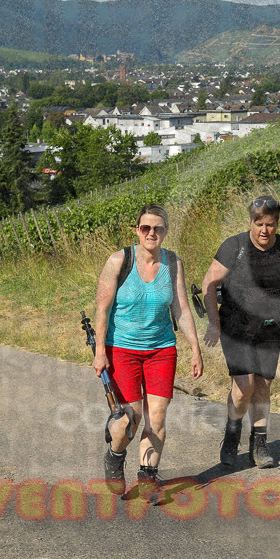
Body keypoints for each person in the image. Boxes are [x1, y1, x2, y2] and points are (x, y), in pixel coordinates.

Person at [92, 204, 203, 491]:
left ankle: (147, 477)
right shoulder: (119, 261)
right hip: (123, 349)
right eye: (146, 228)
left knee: (157, 415)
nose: (151, 233)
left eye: (158, 228)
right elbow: (102, 311)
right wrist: (100, 352)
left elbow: (181, 309)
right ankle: (115, 456)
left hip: (161, 349)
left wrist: (195, 349)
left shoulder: (173, 263)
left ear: (165, 231)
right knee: (131, 418)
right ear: (137, 230)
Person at [201, 195, 280, 468]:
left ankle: (259, 444)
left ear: (276, 224)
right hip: (235, 325)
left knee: (263, 386)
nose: (264, 230)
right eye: (259, 223)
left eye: (270, 225)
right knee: (243, 387)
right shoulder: (233, 246)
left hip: (269, 326)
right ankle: (232, 435)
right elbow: (209, 284)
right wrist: (214, 323)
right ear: (251, 221)